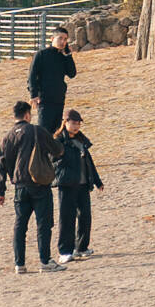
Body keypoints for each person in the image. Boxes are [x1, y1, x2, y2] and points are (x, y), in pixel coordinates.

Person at [0, 101, 61, 273]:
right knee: (43, 224)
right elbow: (57, 150)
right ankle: (45, 261)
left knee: (20, 225)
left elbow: (1, 166)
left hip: (19, 186)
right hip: (39, 183)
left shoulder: (8, 137)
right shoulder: (36, 131)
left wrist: (1, 191)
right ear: (27, 115)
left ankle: (20, 264)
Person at [54, 110, 104, 260]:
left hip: (83, 184)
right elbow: (53, 161)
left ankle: (81, 247)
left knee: (85, 216)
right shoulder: (58, 141)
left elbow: (89, 162)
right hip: (67, 184)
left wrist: (97, 181)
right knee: (67, 218)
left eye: (78, 124)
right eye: (73, 123)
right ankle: (65, 251)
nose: (76, 126)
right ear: (65, 122)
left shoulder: (81, 140)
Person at [29, 26, 78, 136]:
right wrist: (34, 95)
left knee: (57, 133)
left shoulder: (63, 57)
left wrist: (69, 56)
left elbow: (72, 74)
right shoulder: (41, 54)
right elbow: (32, 76)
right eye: (60, 38)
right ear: (52, 39)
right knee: (44, 133)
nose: (63, 42)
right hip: (45, 100)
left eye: (65, 39)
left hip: (59, 99)